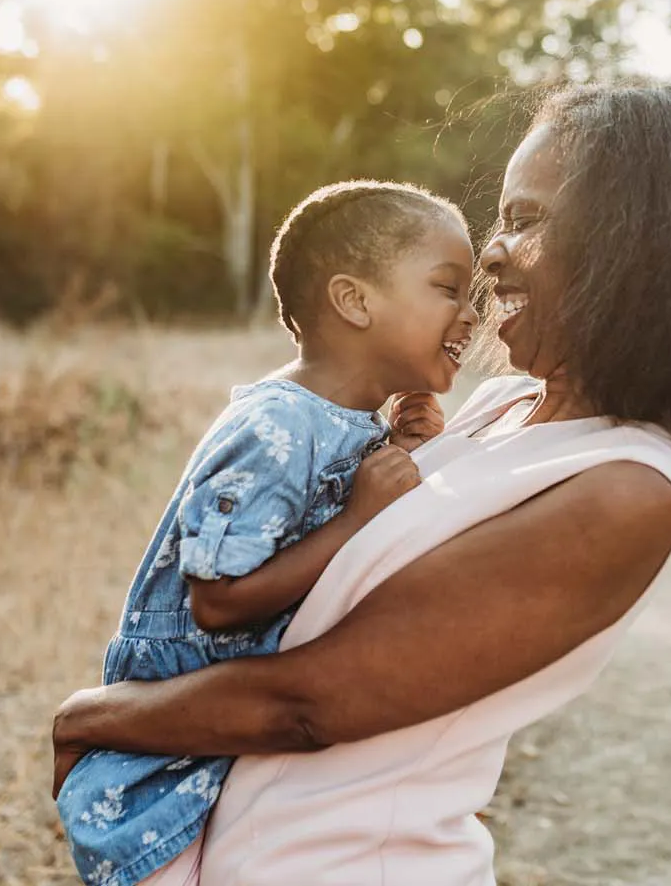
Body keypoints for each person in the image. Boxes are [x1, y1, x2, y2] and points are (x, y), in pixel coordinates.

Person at [52, 82, 671, 886]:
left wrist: (90, 718)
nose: (494, 250)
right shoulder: (511, 401)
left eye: (527, 219)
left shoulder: (624, 490)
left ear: (636, 248)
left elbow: (309, 704)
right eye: (504, 216)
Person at [55, 180, 477, 886]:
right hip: (163, 760)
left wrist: (407, 454)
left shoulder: (346, 424)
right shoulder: (276, 426)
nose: (471, 315)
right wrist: (357, 517)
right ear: (354, 300)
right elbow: (217, 602)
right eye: (448, 287)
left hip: (232, 737)